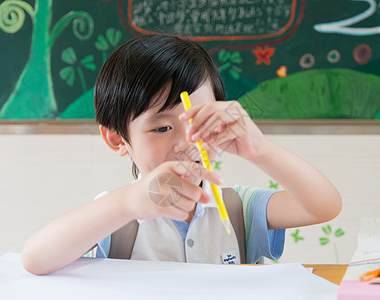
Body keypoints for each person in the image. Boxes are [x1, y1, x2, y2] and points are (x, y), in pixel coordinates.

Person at [21, 34, 342, 275]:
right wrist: (128, 203)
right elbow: (35, 259)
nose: (186, 141)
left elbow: (324, 206)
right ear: (118, 139)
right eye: (161, 128)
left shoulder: (239, 208)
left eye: (200, 121)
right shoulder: (115, 217)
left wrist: (261, 150)